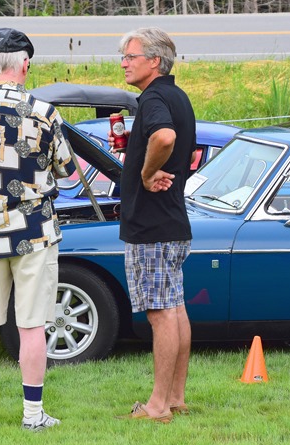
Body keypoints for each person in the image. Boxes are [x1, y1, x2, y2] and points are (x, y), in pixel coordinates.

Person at [0, 27, 75, 431]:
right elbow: (68, 169)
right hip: (33, 231)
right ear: (25, 64)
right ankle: (32, 415)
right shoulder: (44, 112)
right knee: (31, 326)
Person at [109, 27, 195, 423]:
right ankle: (175, 398)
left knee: (160, 314)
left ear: (154, 61)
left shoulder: (155, 98)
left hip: (151, 226)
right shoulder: (178, 96)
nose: (124, 63)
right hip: (173, 222)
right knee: (174, 309)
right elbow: (178, 148)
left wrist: (146, 174)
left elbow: (164, 136)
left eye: (130, 56)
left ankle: (157, 406)